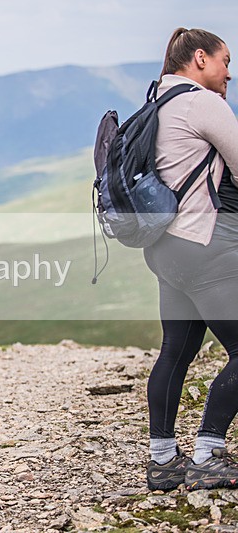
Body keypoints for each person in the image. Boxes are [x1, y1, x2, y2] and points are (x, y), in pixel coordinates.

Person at [143, 28, 238, 491]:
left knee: (176, 350)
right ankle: (208, 454)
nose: (229, 73)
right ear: (200, 58)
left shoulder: (156, 102)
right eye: (225, 61)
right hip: (206, 246)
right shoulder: (203, 103)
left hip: (165, 247)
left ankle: (162, 460)